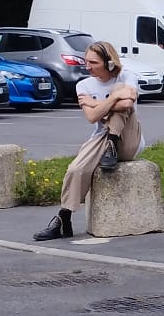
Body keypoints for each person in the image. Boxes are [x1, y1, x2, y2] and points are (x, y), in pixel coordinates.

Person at [34, 41, 141, 241]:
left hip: (128, 138)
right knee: (76, 169)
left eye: (93, 62)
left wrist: (95, 103)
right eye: (86, 62)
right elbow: (91, 117)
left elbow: (127, 103)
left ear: (109, 63)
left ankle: (113, 143)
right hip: (102, 138)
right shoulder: (83, 85)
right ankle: (63, 218)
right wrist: (113, 99)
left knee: (120, 93)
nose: (88, 66)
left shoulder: (126, 76)